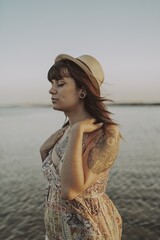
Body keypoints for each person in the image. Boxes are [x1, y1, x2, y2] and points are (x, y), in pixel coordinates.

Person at [40, 54, 122, 240]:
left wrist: (77, 132)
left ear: (82, 90)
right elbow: (56, 182)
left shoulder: (106, 133)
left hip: (88, 231)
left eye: (60, 83)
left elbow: (69, 191)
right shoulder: (64, 131)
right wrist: (44, 151)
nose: (51, 90)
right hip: (57, 231)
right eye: (52, 83)